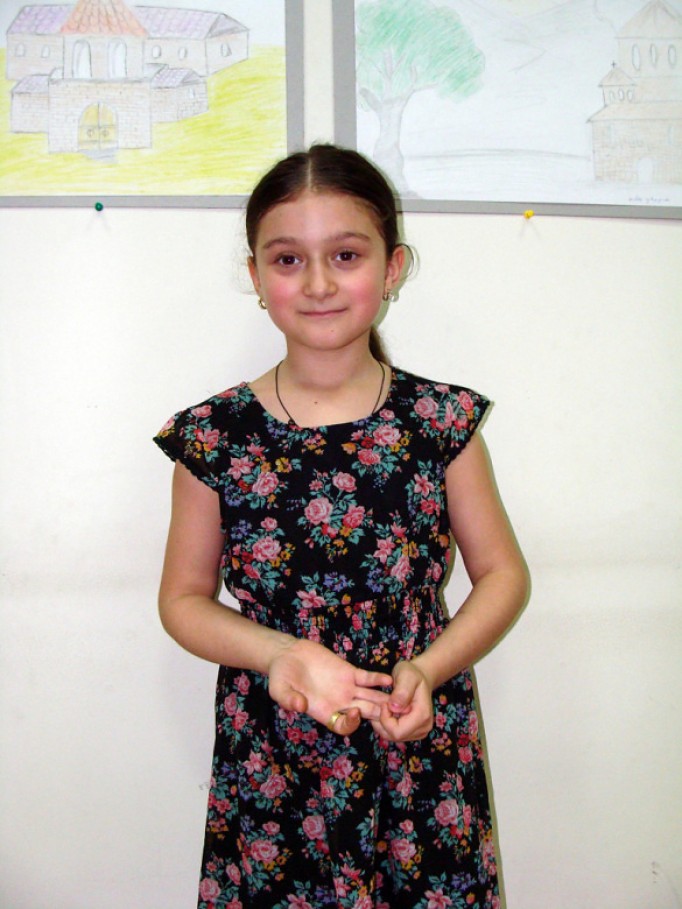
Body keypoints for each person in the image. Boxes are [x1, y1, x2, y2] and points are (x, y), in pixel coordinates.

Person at [154, 143, 528, 909]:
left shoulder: (441, 422)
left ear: (392, 269)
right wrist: (281, 653)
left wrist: (429, 669)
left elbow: (502, 575)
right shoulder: (213, 437)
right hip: (274, 757)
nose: (318, 282)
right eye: (288, 259)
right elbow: (182, 599)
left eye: (346, 255)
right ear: (257, 277)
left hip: (416, 746)